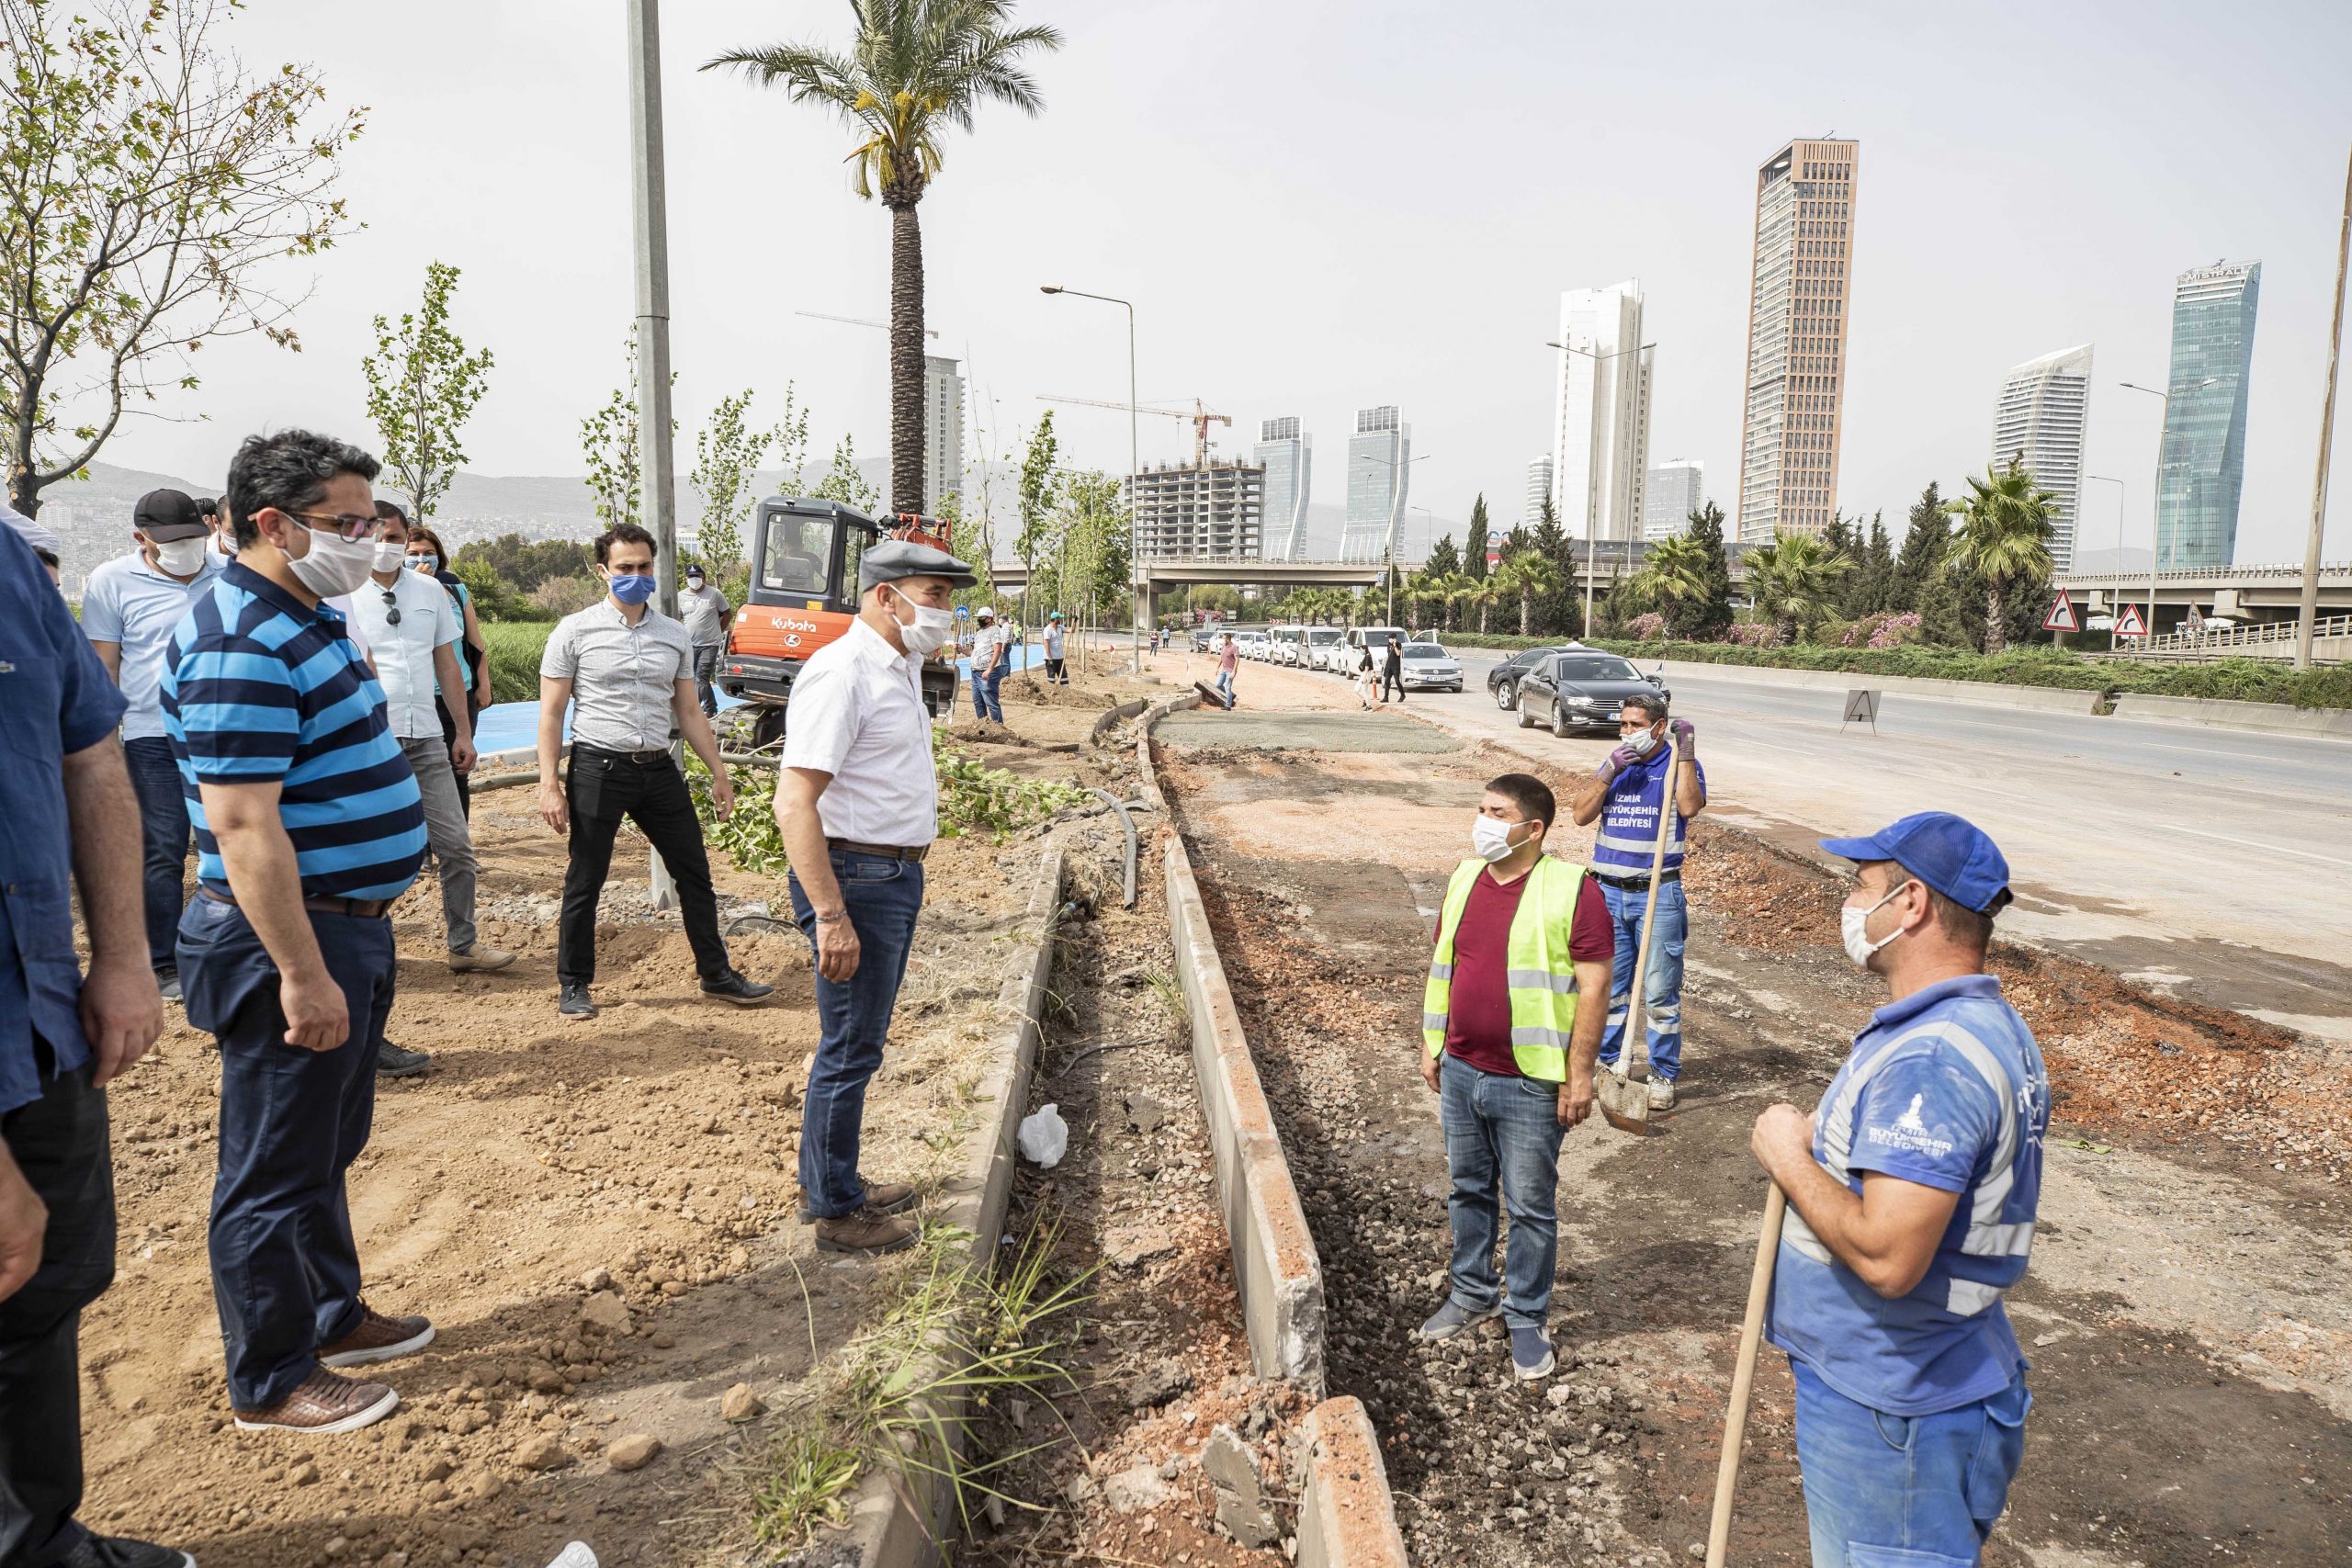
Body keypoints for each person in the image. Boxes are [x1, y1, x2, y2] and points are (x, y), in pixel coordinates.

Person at [162, 429, 438, 1437]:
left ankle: (331, 1312)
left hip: (343, 924)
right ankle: (273, 1376)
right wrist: (300, 971)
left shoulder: (304, 612)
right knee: (273, 1165)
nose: (368, 541)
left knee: (325, 1141)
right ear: (272, 525)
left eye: (371, 522)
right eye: (347, 524)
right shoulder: (241, 634)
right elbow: (242, 824)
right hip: (286, 935)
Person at [1749, 813, 2045, 1568]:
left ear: (1911, 903)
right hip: (1916, 1379)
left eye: (1862, 886)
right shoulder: (1975, 1024)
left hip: (1898, 1405)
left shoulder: (1934, 1058)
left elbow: (1888, 1257)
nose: (1851, 904)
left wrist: (1788, 1156)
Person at [0, 516, 181, 1568]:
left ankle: (39, 1542)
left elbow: (91, 754)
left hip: (39, 1009)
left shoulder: (13, 569)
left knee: (50, 1278)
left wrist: (119, 956)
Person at [774, 540, 973, 1257]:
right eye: (936, 594)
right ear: (887, 596)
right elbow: (795, 803)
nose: (946, 611)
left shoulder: (901, 667)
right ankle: (835, 1211)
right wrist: (831, 914)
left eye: (949, 596)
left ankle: (833, 1180)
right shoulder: (844, 671)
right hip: (856, 879)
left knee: (856, 1042)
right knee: (851, 1047)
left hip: (888, 874)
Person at [1414, 773, 1611, 1382]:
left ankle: (1525, 1315)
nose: (1482, 822)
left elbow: (1595, 984)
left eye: (1496, 812)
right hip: (1462, 1068)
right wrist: (1432, 1042)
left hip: (1530, 1082)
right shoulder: (1466, 876)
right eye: (1480, 809)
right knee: (1468, 1189)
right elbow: (1445, 962)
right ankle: (1471, 1292)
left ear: (1533, 828)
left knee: (1529, 1206)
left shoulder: (1572, 889)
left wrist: (1579, 1075)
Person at [537, 525, 773, 1020]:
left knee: (695, 872)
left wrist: (719, 772)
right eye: (625, 568)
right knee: (587, 877)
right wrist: (549, 783)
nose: (636, 576)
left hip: (659, 768)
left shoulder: (674, 634)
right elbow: (552, 714)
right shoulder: (574, 631)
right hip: (598, 768)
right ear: (604, 571)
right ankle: (574, 983)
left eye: (644, 567)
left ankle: (715, 974)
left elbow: (689, 712)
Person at [346, 510, 515, 1036]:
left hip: (428, 737)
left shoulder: (432, 595)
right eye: (376, 536)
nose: (388, 545)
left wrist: (462, 732)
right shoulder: (344, 596)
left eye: (395, 537)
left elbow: (448, 662)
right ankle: (368, 954)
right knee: (376, 855)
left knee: (457, 846)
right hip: (371, 742)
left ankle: (462, 943)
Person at [79, 489, 225, 1005]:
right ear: (141, 538)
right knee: (162, 850)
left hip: (224, 733)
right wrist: (103, 743)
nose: (186, 547)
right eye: (172, 540)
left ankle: (230, 950)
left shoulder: (229, 576)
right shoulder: (111, 581)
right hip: (151, 736)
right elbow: (104, 664)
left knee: (232, 842)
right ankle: (162, 961)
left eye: (193, 537)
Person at [1569, 693, 1705, 1110]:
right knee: (1610, 990)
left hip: (1657, 892)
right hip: (1608, 891)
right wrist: (1609, 770)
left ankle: (1663, 1074)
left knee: (1661, 992)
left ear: (1659, 727)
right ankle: (1612, 1064)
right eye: (1623, 724)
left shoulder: (1678, 766)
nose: (1627, 732)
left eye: (1635, 724)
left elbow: (1689, 805)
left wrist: (1685, 753)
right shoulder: (1617, 765)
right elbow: (1579, 815)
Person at [384, 513, 487, 818]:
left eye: (427, 552)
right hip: (416, 695)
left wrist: (483, 684)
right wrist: (421, 586)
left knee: (458, 768)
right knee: (415, 776)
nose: (421, 558)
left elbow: (475, 642)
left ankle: (458, 843)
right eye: (412, 554)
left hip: (457, 692)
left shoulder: (456, 589)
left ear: (439, 555)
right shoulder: (392, 593)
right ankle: (424, 848)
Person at [680, 563, 733, 718]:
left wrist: (719, 629)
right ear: (686, 579)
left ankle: (692, 711)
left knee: (702, 676)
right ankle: (711, 707)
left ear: (703, 578)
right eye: (691, 577)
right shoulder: (681, 596)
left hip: (710, 644)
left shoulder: (714, 594)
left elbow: (727, 613)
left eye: (697, 576)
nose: (694, 579)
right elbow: (677, 618)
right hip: (690, 644)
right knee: (696, 677)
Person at [967, 607, 1006, 725]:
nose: (979, 620)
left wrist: (989, 669)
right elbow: (973, 653)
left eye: (981, 618)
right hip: (975, 672)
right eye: (978, 618)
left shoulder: (994, 630)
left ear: (989, 619)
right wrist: (961, 649)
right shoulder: (979, 633)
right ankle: (983, 726)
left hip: (987, 672)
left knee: (990, 701)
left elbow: (997, 650)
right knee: (977, 701)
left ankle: (998, 727)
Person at [1043, 612, 1069, 685]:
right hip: (1051, 658)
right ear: (1055, 619)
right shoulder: (1048, 630)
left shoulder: (1060, 627)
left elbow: (1071, 631)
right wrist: (1050, 657)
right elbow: (1046, 644)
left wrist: (1075, 622)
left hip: (1060, 657)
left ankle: (1065, 690)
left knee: (1064, 676)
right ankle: (1052, 692)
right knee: (1051, 677)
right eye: (1059, 618)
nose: (1060, 619)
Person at [1214, 631, 1238, 706]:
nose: (1223, 640)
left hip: (1230, 671)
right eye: (1223, 638)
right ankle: (1230, 695)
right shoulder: (1224, 646)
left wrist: (1234, 672)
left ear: (1229, 639)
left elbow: (1237, 660)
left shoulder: (1234, 647)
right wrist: (1217, 668)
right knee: (1218, 685)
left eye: (1225, 638)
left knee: (1227, 688)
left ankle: (1228, 705)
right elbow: (1221, 658)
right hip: (1223, 670)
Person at [1381, 635, 1406, 704]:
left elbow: (1398, 654)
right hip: (1389, 666)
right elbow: (1389, 655)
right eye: (1389, 639)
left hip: (1396, 666)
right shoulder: (1388, 645)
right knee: (1386, 681)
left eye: (1390, 638)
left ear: (1394, 639)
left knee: (1397, 681)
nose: (1389, 640)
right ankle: (1386, 697)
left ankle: (1402, 695)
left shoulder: (1399, 644)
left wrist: (1394, 645)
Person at [1353, 643, 1378, 711]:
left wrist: (1364, 678)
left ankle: (1369, 706)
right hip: (1364, 674)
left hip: (1366, 675)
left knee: (1364, 691)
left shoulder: (1368, 656)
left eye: (1361, 649)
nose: (1360, 651)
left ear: (1364, 649)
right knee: (1356, 690)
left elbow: (1367, 668)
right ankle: (1364, 700)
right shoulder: (1367, 656)